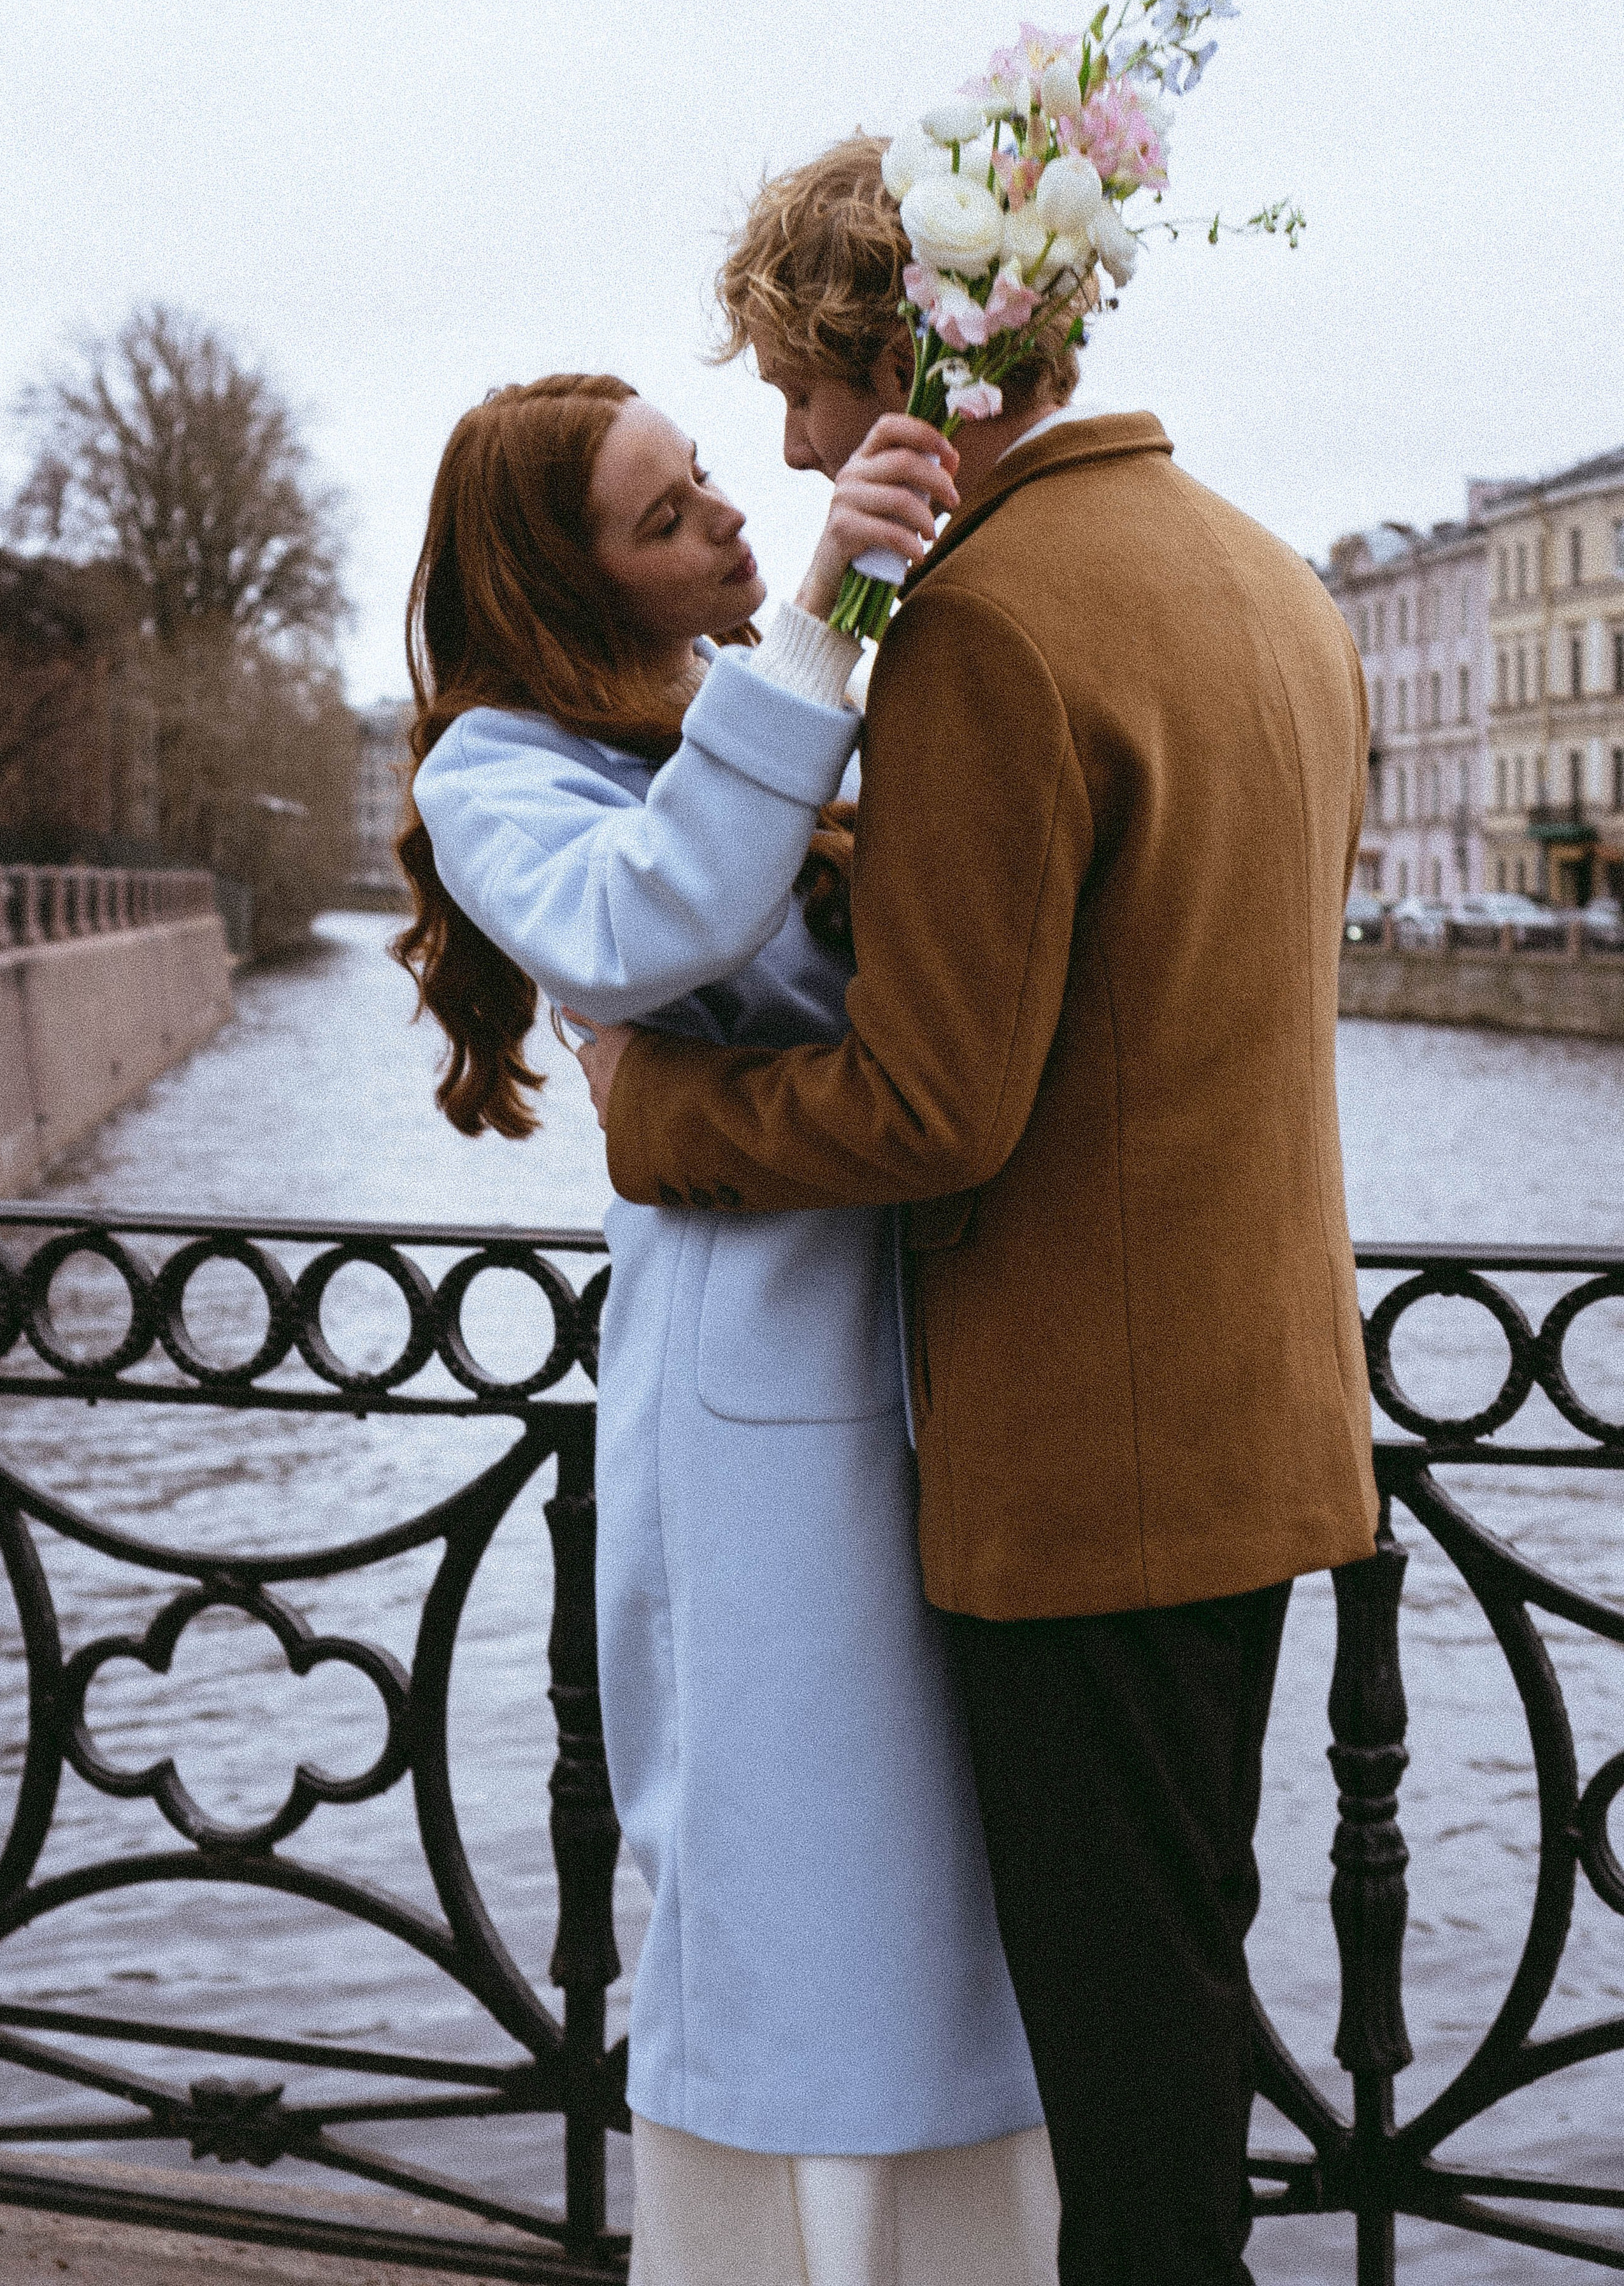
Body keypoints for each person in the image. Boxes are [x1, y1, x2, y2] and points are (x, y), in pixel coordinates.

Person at [575, 139, 1382, 2286]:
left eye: (796, 392)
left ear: (894, 365)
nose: (790, 443)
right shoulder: (1267, 578)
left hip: (1084, 1475)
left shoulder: (994, 629)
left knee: (1120, 2097)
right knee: (1180, 2027)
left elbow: (935, 1103)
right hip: (1264, 1430)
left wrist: (666, 1112)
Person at [394, 373, 1060, 2286]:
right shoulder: (497, 764)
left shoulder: (742, 704)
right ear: (560, 582)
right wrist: (816, 628)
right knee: (790, 1872)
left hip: (923, 1329)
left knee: (942, 1887)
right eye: (662, 516)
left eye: (706, 483)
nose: (723, 521)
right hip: (760, 1362)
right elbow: (641, 925)